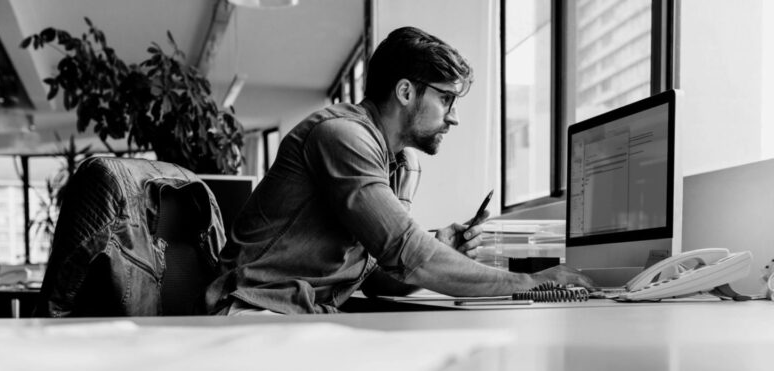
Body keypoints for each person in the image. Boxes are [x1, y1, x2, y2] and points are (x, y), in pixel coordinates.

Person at [204, 26, 592, 315]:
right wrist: (531, 283)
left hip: (296, 315)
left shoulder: (390, 158)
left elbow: (378, 279)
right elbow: (410, 256)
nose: (453, 117)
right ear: (405, 92)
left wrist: (438, 245)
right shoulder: (343, 137)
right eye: (445, 99)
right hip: (251, 312)